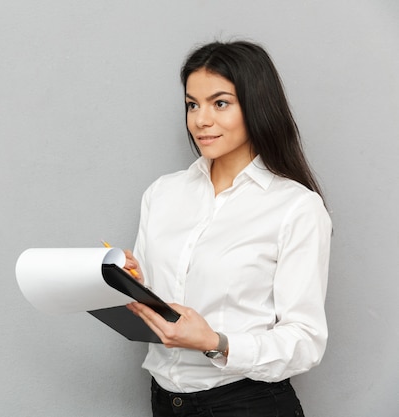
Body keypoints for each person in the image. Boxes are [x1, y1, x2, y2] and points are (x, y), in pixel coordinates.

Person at [123, 40, 332, 417]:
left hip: (246, 404)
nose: (201, 119)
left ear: (256, 106)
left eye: (220, 103)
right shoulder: (163, 193)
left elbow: (305, 341)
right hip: (164, 401)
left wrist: (216, 342)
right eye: (192, 104)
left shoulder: (296, 207)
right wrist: (127, 280)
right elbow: (157, 304)